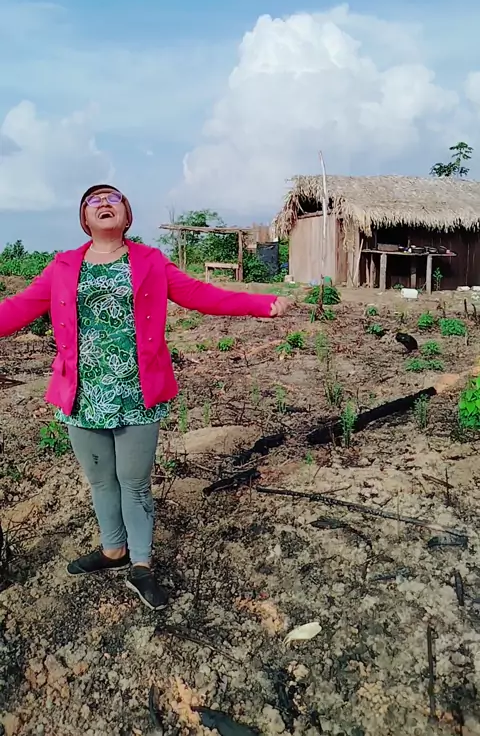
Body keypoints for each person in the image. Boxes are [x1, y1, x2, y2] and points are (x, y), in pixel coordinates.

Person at [0, 185, 290, 610]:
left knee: (134, 483)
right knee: (101, 480)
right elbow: (19, 307)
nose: (103, 203)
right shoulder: (62, 266)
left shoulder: (150, 261)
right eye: (94, 200)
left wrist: (259, 304)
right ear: (84, 218)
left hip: (137, 392)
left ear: (127, 214)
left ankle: (141, 564)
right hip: (82, 395)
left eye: (112, 198)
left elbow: (201, 295)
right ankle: (112, 549)